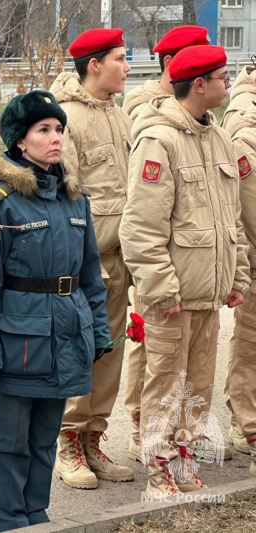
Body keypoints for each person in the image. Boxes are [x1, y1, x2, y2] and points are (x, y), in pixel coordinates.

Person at [0, 90, 110, 532]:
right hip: (20, 341)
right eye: (43, 130)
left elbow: (90, 274)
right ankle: (11, 521)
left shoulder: (74, 198)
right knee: (12, 440)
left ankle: (37, 516)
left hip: (67, 335)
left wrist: (99, 332)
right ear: (19, 142)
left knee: (46, 437)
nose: (55, 139)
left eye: (59, 130)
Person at [120, 45, 249, 499]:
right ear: (199, 84)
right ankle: (157, 470)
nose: (228, 84)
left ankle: (185, 460)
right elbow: (140, 226)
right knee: (165, 385)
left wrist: (238, 278)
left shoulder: (218, 137)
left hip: (208, 294)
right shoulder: (159, 140)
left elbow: (230, 219)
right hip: (172, 296)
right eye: (222, 76)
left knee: (198, 385)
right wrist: (160, 289)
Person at [121, 25, 213, 464]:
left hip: (190, 263)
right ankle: (144, 426)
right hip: (158, 255)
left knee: (186, 362)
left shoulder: (203, 124)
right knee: (154, 351)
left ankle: (177, 438)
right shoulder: (149, 113)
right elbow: (144, 212)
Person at [49, 27, 135, 489]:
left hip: (121, 260)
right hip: (89, 263)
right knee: (81, 352)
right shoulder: (68, 117)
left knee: (111, 354)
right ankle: (67, 442)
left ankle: (93, 439)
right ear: (95, 64)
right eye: (121, 58)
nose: (128, 67)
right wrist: (85, 261)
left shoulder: (120, 117)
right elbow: (67, 199)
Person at [221, 68, 256, 471]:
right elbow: (249, 210)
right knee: (249, 343)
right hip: (253, 256)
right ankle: (243, 423)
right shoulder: (245, 122)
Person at [122, 26, 210, 122]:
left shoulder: (194, 104)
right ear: (169, 63)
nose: (205, 69)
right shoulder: (147, 110)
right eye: (197, 62)